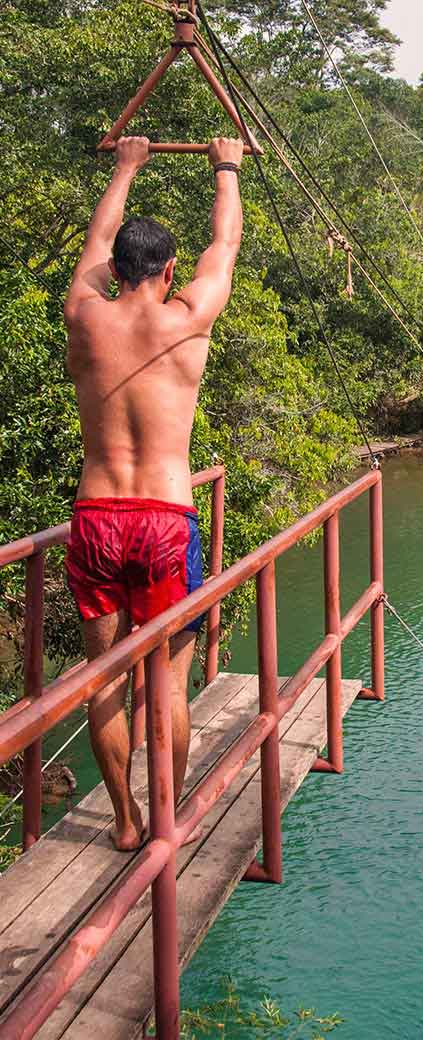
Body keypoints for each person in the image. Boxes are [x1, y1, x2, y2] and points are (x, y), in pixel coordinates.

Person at [64, 134, 244, 850]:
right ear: (170, 270)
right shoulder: (188, 317)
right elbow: (224, 244)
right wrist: (225, 165)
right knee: (166, 678)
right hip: (167, 517)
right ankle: (168, 816)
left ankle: (127, 823)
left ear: (116, 270)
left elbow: (98, 235)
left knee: (101, 675)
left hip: (96, 516)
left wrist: (127, 164)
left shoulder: (86, 314)